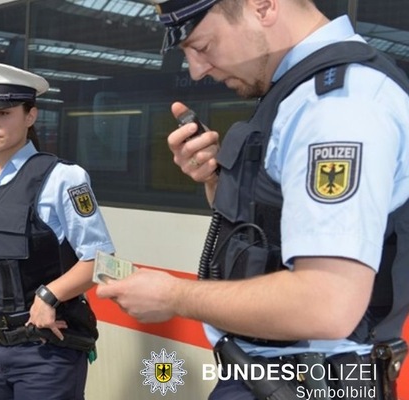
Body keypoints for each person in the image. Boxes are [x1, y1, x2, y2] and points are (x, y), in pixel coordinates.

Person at [97, 0, 409, 399]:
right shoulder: (295, 93)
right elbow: (270, 236)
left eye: (203, 46)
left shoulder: (336, 107)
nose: (196, 70)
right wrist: (215, 180)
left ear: (263, 6)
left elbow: (327, 303)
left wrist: (173, 296)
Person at [0, 61, 115, 400]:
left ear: (30, 116)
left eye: (4, 113)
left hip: (44, 352)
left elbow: (101, 260)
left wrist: (49, 296)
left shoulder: (63, 178)